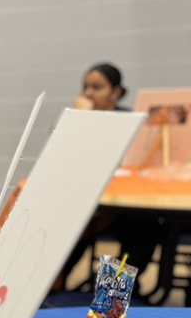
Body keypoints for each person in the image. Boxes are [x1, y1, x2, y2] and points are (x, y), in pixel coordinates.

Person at [54, 62, 161, 296]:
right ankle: (54, 286)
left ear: (116, 92)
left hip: (122, 201)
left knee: (146, 225)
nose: (88, 93)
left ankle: (117, 289)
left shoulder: (132, 122)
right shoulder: (79, 119)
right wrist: (83, 118)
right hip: (86, 200)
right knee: (76, 221)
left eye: (97, 87)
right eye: (85, 87)